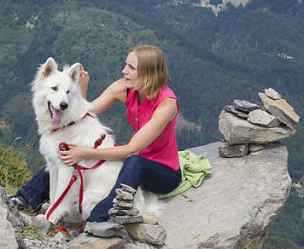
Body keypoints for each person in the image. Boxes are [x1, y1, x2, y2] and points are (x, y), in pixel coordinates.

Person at [11, 45, 182, 228]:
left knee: (131, 161)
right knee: (63, 152)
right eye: (126, 65)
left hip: (162, 173)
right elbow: (85, 115)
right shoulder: (124, 88)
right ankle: (26, 198)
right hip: (132, 163)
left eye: (131, 68)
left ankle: (95, 220)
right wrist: (79, 89)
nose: (124, 71)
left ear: (148, 72)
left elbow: (131, 150)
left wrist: (83, 153)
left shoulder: (167, 105)